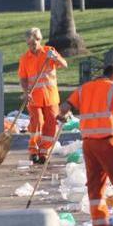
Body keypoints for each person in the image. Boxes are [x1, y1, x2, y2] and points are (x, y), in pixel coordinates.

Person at [60, 63, 113, 226]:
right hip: (108, 142)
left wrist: (61, 116)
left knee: (95, 187)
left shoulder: (84, 89)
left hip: (89, 144)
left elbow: (64, 107)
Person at [18, 27, 68, 164]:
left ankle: (44, 152)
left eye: (33, 44)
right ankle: (33, 149)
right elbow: (23, 78)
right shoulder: (25, 59)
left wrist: (56, 58)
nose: (31, 47)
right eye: (28, 44)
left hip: (51, 97)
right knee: (37, 122)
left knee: (51, 124)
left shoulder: (49, 52)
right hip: (34, 97)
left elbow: (65, 64)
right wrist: (25, 92)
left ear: (39, 40)